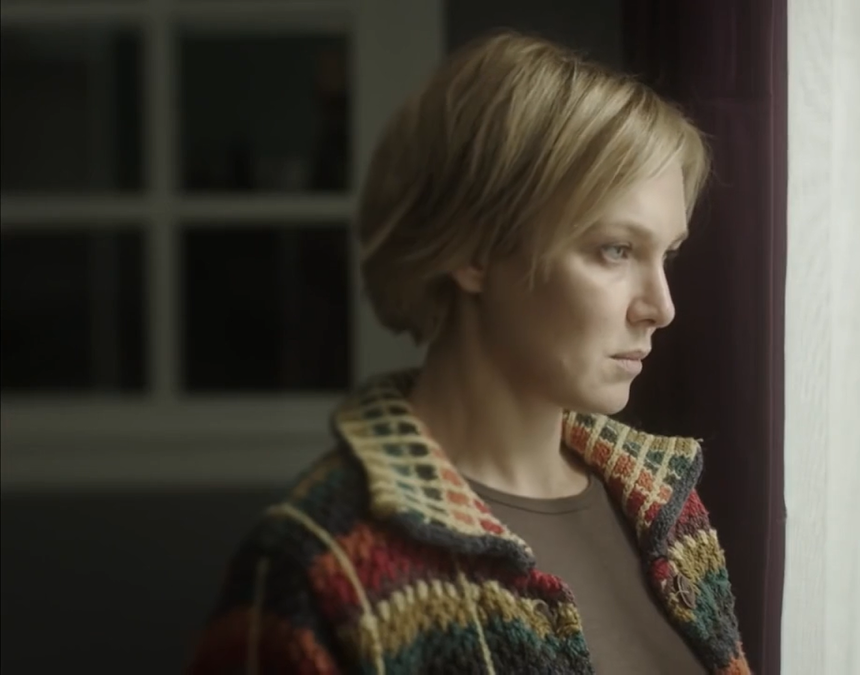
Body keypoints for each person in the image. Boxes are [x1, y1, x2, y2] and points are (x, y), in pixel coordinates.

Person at [188, 30, 749, 675]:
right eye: (615, 250)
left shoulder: (668, 509)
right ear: (475, 250)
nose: (661, 306)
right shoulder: (315, 566)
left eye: (666, 255)